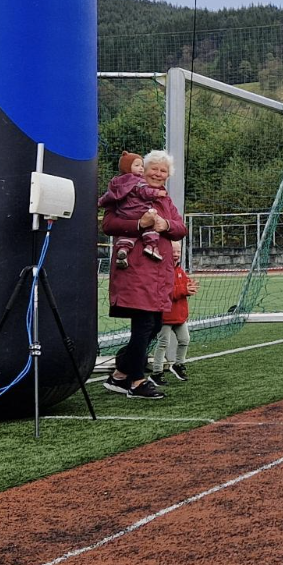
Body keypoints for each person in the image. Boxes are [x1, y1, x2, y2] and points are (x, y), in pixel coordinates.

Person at [100, 150, 187, 399]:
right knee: (144, 324)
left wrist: (165, 225)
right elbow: (108, 225)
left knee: (155, 324)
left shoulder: (164, 200)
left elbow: (181, 228)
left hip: (160, 272)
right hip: (135, 270)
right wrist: (141, 225)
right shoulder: (123, 192)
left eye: (163, 171)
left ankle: (120, 373)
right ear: (143, 170)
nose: (158, 174)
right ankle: (136, 382)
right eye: (154, 169)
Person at [97, 152, 166, 266]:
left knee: (128, 235)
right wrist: (157, 192)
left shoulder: (116, 183)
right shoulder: (138, 181)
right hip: (140, 212)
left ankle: (123, 249)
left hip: (124, 215)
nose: (141, 168)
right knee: (151, 227)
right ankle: (151, 246)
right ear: (127, 167)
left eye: (142, 166)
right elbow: (145, 192)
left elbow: (108, 196)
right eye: (137, 165)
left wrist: (99, 202)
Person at [148, 240, 198, 382]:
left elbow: (183, 289)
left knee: (185, 340)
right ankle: (156, 372)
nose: (176, 254)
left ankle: (178, 364)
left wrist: (190, 288)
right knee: (163, 343)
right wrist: (184, 290)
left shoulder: (180, 271)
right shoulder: (161, 270)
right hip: (165, 316)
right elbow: (164, 293)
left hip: (179, 316)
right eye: (173, 252)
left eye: (178, 252)